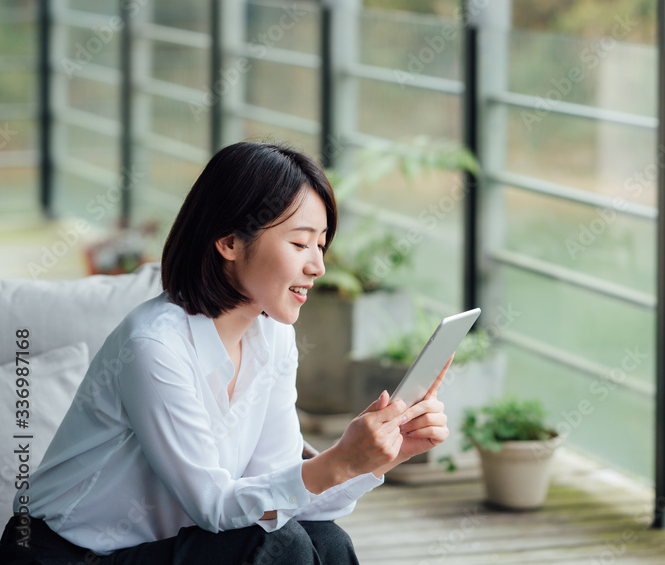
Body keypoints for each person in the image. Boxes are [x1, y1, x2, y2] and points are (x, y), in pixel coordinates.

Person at [1, 141, 450, 564]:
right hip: (62, 553)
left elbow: (276, 490)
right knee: (280, 546)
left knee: (325, 540)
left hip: (159, 544)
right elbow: (214, 506)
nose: (318, 266)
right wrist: (340, 459)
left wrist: (383, 456)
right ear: (229, 241)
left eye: (320, 243)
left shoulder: (272, 336)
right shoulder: (154, 347)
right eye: (299, 243)